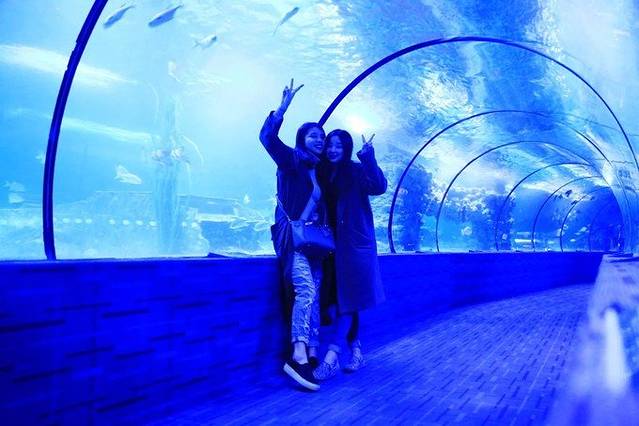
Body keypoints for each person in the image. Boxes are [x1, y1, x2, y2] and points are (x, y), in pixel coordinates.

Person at [259, 79, 327, 391]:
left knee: (314, 295)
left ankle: (312, 350)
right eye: (314, 136)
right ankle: (297, 355)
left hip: (314, 244)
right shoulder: (292, 161)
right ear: (302, 139)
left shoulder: (318, 170)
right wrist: (281, 109)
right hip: (294, 239)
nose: (319, 141)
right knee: (306, 292)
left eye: (322, 137)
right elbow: (268, 139)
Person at [314, 129, 387, 380]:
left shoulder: (356, 171)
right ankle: (356, 351)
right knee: (342, 300)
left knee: (347, 300)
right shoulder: (321, 172)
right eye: (329, 145)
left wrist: (368, 157)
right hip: (328, 246)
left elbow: (379, 186)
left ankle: (331, 358)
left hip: (353, 247)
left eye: (339, 146)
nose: (333, 150)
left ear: (347, 149)